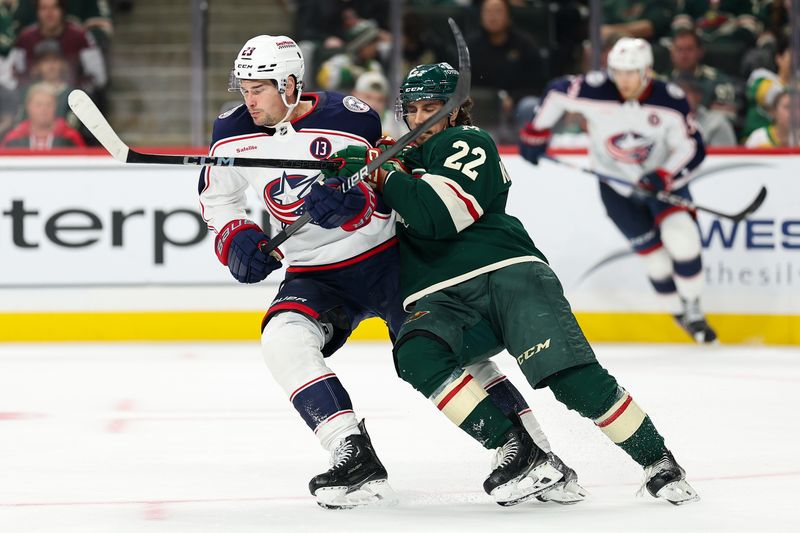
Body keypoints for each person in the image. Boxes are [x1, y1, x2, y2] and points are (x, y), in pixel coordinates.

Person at [200, 35, 584, 509]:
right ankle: (352, 453)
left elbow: (382, 177)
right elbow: (218, 197)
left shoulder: (350, 116)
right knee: (282, 340)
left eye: (259, 88)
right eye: (243, 87)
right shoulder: (232, 130)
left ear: (291, 84)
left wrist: (352, 203)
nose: (248, 99)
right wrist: (235, 235)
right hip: (313, 274)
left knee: (449, 352)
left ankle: (536, 453)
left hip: (387, 259)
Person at [306, 61, 700, 507]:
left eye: (430, 107)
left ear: (454, 110)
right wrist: (338, 177)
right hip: (439, 296)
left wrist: (386, 172)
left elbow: (439, 215)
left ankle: (658, 460)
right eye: (412, 109)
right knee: (416, 354)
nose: (419, 119)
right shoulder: (396, 156)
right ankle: (522, 452)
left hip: (507, 274)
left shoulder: (467, 141)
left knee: (572, 380)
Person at [520, 37, 717, 344]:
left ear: (647, 71)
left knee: (683, 240)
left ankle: (693, 308)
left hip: (660, 185)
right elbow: (557, 93)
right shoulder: (595, 90)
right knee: (656, 261)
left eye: (631, 72)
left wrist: (664, 175)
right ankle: (678, 313)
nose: (623, 80)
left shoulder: (670, 100)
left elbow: (694, 147)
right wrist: (535, 132)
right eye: (618, 72)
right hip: (615, 186)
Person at [1, 80, 84, 148]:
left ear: (55, 107)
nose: (44, 109)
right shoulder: (14, 138)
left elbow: (83, 163)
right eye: (38, 104)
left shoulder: (70, 137)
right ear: (28, 107)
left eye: (48, 104)